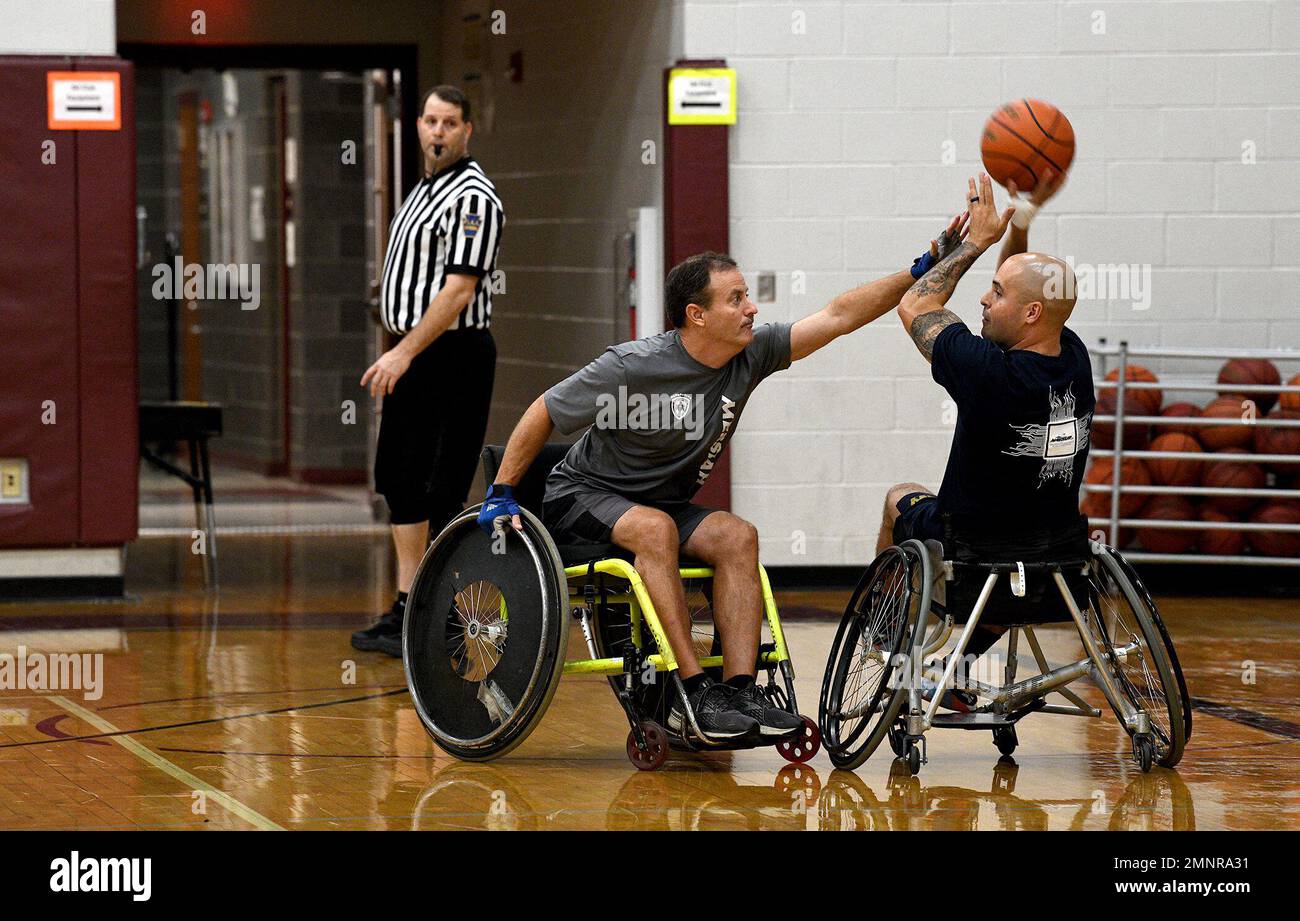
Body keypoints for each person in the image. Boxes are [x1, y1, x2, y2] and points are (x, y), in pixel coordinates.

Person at [476, 218, 966, 742]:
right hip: (584, 496)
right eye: (736, 299)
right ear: (697, 315)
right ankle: (693, 688)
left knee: (737, 535)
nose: (751, 308)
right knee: (655, 531)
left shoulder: (749, 354)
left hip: (660, 504)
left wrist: (923, 266)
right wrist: (503, 492)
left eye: (747, 296)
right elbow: (542, 411)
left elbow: (840, 315)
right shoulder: (631, 367)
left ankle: (740, 690)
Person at [883, 170, 1092, 709]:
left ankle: (891, 641)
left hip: (971, 557)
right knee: (1010, 566)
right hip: (1056, 566)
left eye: (994, 293)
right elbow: (1032, 297)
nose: (982, 298)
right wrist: (1018, 224)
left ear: (1027, 313)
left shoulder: (985, 373)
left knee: (898, 495)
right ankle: (959, 667)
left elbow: (915, 307)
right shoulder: (1073, 358)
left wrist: (976, 241)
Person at [352, 85, 505, 658]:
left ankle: (443, 610)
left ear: (468, 130)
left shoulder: (474, 197)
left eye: (449, 123)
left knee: (441, 483)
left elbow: (459, 290)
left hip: (451, 354)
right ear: (417, 125)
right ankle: (408, 602)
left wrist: (404, 350)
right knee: (398, 475)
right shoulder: (422, 190)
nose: (437, 132)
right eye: (430, 121)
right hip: (414, 350)